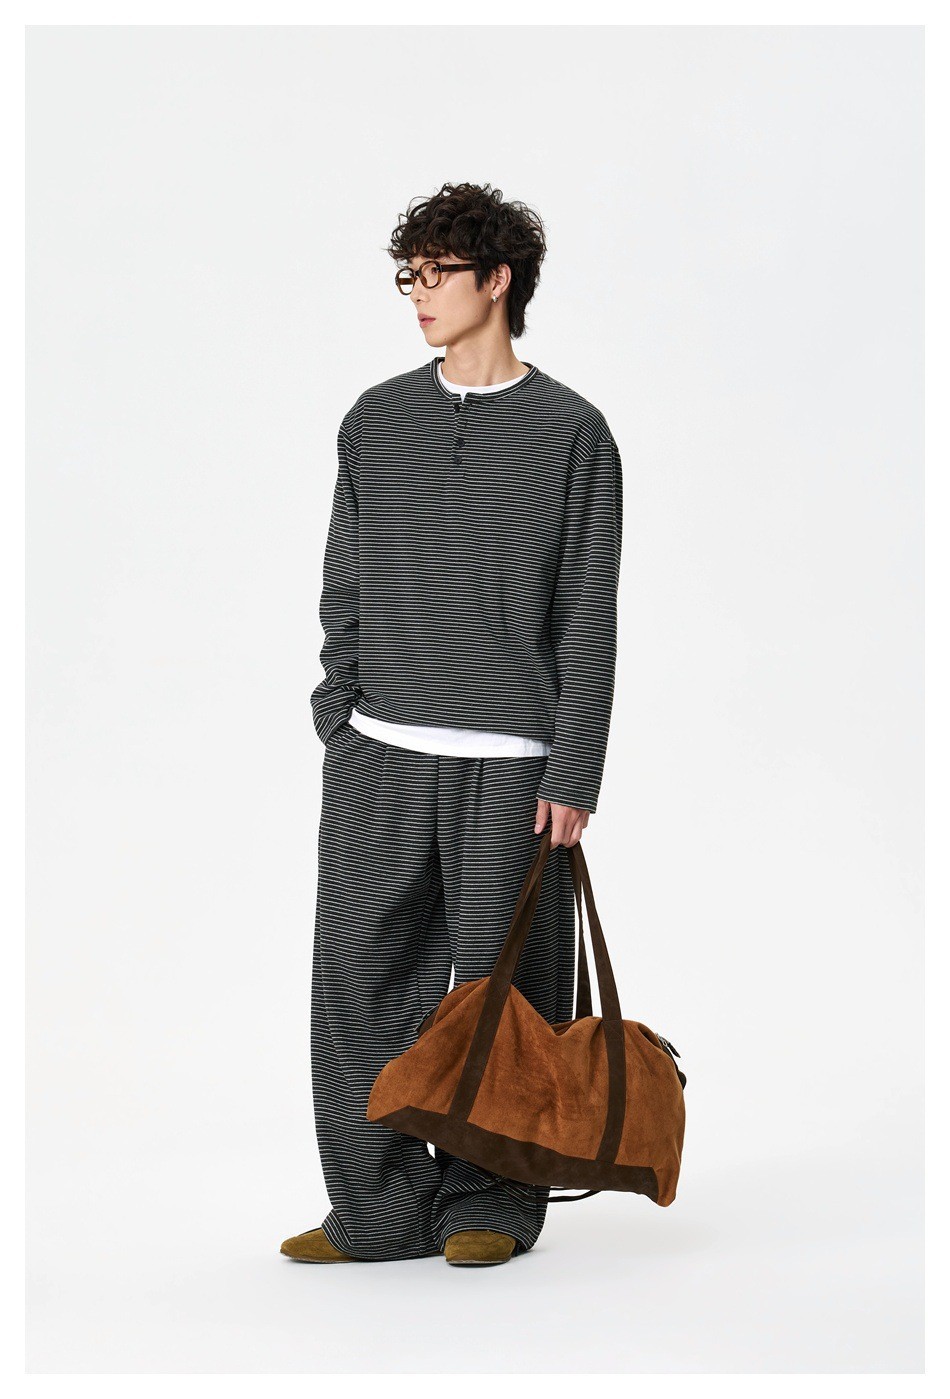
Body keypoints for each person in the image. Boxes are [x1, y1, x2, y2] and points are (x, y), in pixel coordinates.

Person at [280, 181, 624, 1268]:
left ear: (498, 280)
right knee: (359, 981)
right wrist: (339, 711)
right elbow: (344, 578)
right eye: (410, 276)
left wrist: (573, 767)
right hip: (379, 753)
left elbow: (588, 611)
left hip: (513, 765)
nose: (419, 295)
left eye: (438, 274)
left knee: (503, 993)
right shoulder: (375, 420)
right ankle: (376, 1208)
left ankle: (488, 1203)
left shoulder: (573, 433)